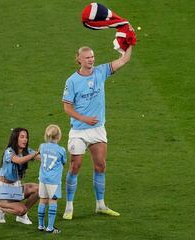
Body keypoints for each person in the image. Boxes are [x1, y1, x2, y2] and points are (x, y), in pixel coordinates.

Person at [61, 43, 133, 220]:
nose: (91, 60)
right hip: (78, 130)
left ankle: (100, 205)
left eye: (92, 57)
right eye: (87, 57)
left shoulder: (101, 71)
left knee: (100, 165)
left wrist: (130, 41)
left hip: (97, 129)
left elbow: (124, 59)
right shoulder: (72, 81)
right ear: (78, 59)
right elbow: (67, 108)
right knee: (75, 166)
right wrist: (84, 119)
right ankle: (69, 206)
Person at [0, 127, 40, 224]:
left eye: (26, 137)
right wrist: (34, 154)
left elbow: (41, 157)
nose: (25, 139)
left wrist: (51, 153)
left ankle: (21, 216)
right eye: (22, 137)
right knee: (21, 210)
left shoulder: (27, 151)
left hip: (15, 189)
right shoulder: (9, 151)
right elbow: (18, 160)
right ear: (15, 138)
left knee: (39, 189)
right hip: (2, 192)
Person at [37, 124, 66, 234]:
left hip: (42, 179)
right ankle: (50, 228)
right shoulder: (61, 150)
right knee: (53, 201)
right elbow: (64, 162)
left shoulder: (42, 146)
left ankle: (40, 225)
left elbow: (39, 155)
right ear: (59, 136)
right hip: (54, 181)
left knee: (42, 200)